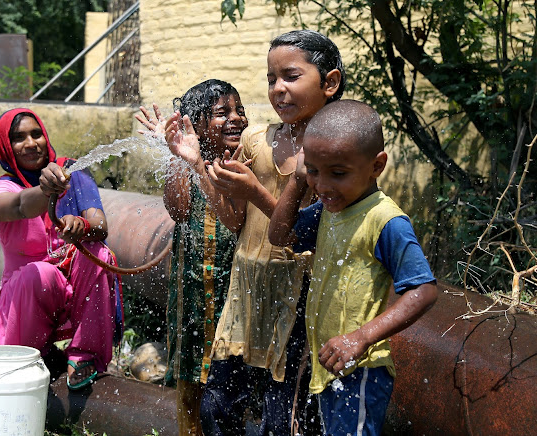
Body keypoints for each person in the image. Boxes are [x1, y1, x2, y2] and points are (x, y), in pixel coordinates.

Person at [165, 30, 345, 435]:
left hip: (298, 299)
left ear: (329, 84)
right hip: (245, 293)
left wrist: (254, 190)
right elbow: (236, 222)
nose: (278, 89)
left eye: (291, 77)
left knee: (283, 418)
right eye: (270, 79)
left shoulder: (337, 151)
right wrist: (195, 164)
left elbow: (306, 234)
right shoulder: (257, 140)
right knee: (218, 410)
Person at [268, 99, 438, 435]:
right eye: (315, 170)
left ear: (377, 166)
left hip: (360, 369)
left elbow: (424, 289)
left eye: (338, 174)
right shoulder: (329, 210)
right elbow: (279, 234)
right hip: (329, 366)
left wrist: (360, 338)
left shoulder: (385, 220)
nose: (324, 185)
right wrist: (299, 180)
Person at [0, 108, 123, 391]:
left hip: (74, 287)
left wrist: (81, 225)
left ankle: (84, 357)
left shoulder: (71, 172)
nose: (31, 143)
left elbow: (100, 225)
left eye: (36, 134)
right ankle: (33, 357)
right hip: (30, 295)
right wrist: (47, 190)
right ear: (6, 148)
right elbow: (21, 206)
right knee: (40, 273)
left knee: (99, 254)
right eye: (19, 138)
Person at [136, 79, 248, 436]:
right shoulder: (187, 165)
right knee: (191, 382)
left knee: (236, 384)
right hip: (194, 299)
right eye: (222, 113)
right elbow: (180, 209)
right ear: (196, 125)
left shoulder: (246, 160)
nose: (236, 118)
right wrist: (178, 153)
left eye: (239, 109)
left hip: (237, 297)